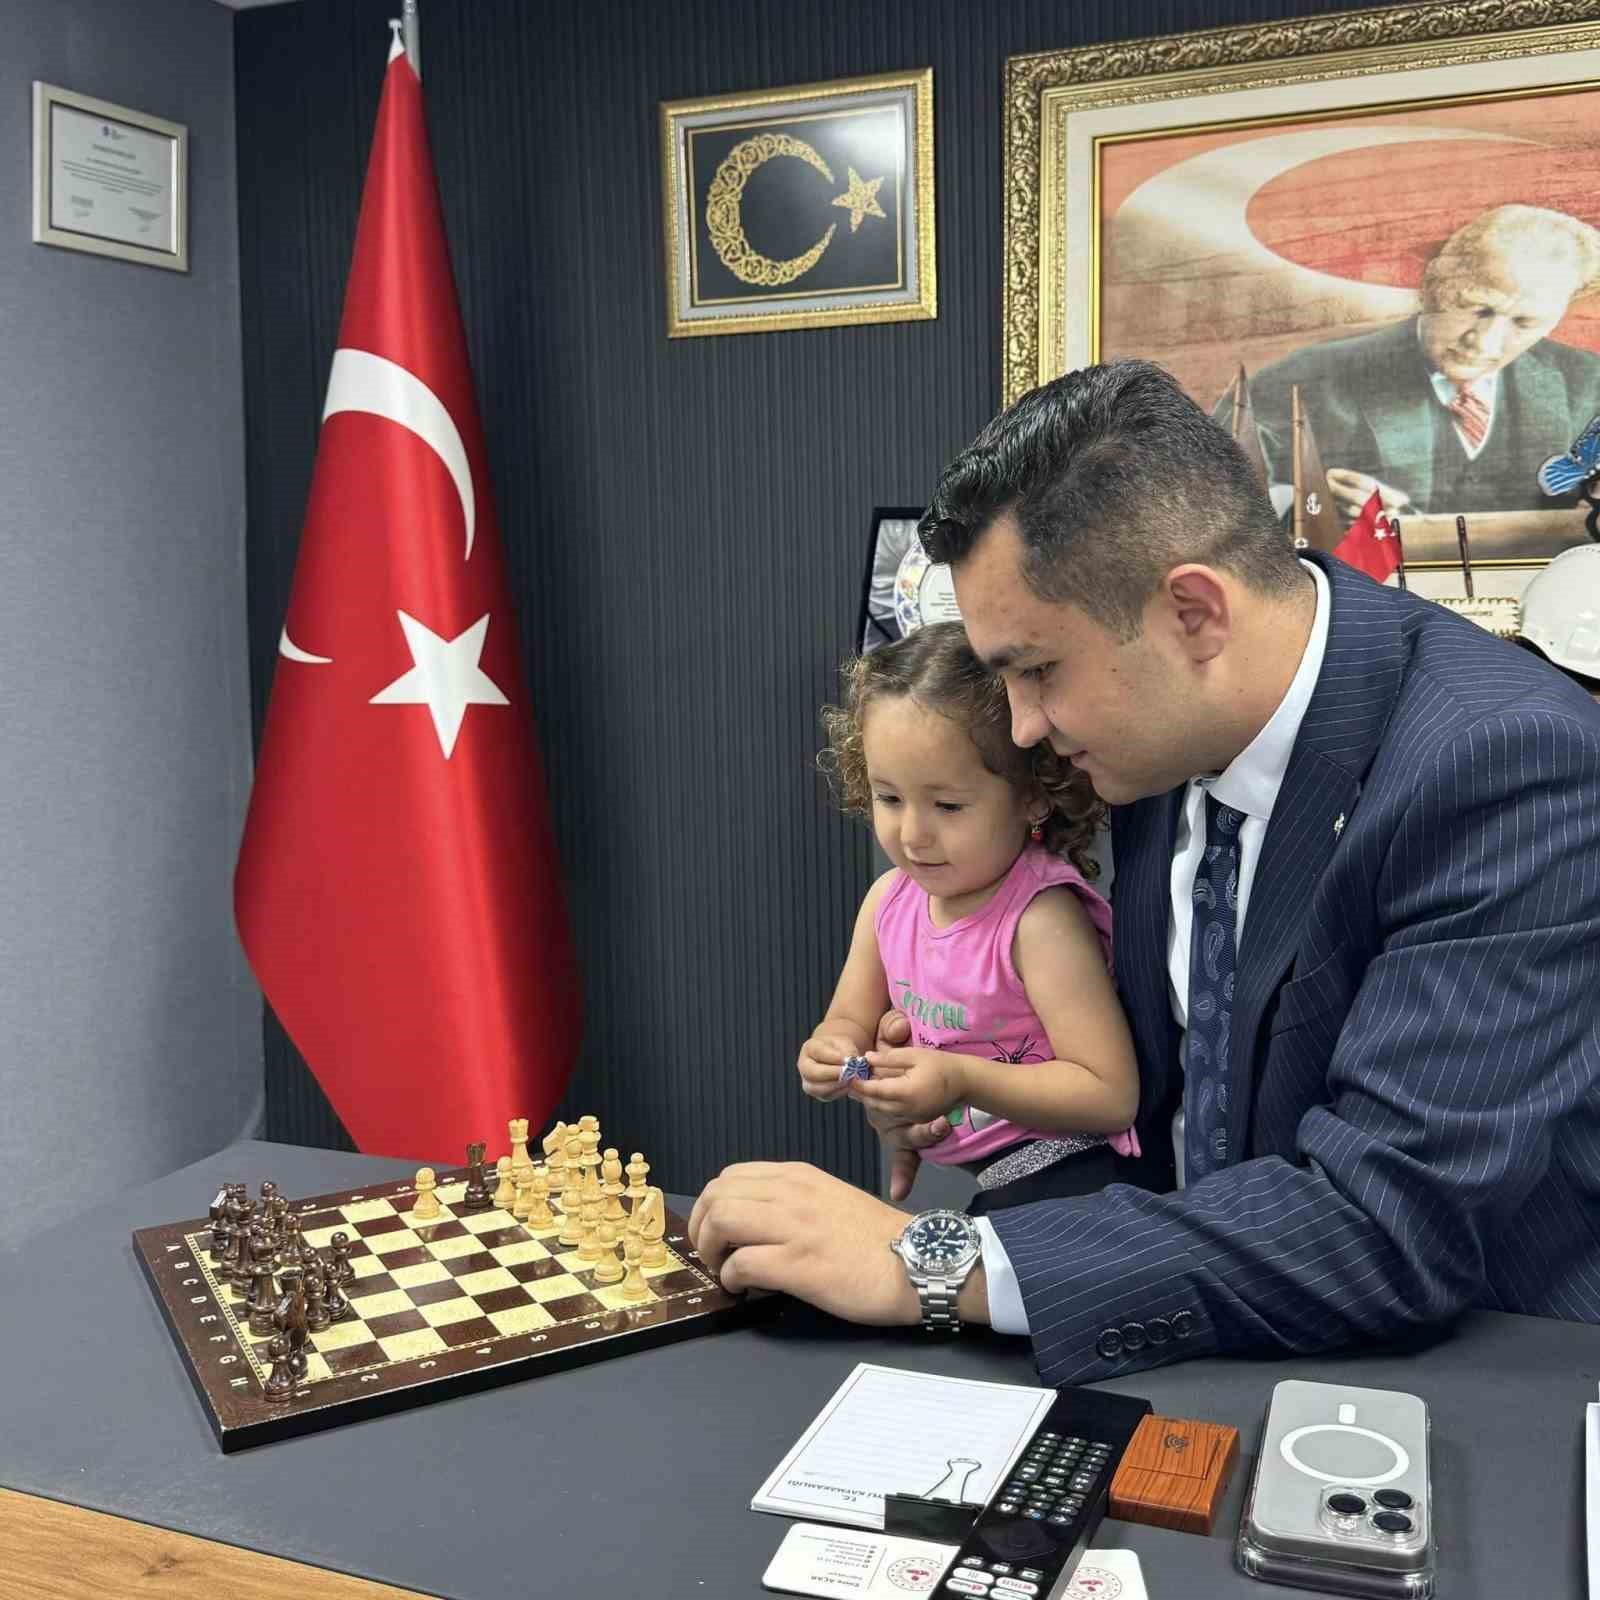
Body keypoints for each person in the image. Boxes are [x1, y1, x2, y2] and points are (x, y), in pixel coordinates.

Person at [689, 359, 1600, 1382]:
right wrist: (955, 1076)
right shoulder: (1155, 737)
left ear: (1193, 614)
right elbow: (1162, 1081)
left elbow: (1383, 1220)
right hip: (1193, 1315)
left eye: (1038, 670)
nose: (1022, 728)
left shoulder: (1506, 763)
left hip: (1477, 1365)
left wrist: (935, 1260)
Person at [799, 622, 1140, 1214]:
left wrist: (961, 1079)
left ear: (1034, 795)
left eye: (948, 805)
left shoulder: (1040, 920)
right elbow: (849, 1019)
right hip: (989, 1176)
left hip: (1070, 1173)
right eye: (889, 797)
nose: (913, 834)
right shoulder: (887, 902)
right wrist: (832, 1054)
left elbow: (1110, 1094)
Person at [1243, 204, 1600, 522]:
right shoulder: (1302, 379)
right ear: (1430, 288)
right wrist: (1304, 504)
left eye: (1524, 323)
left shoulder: (1590, 383)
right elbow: (1219, 484)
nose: (1484, 342)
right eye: (1477, 308)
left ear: (1553, 320)